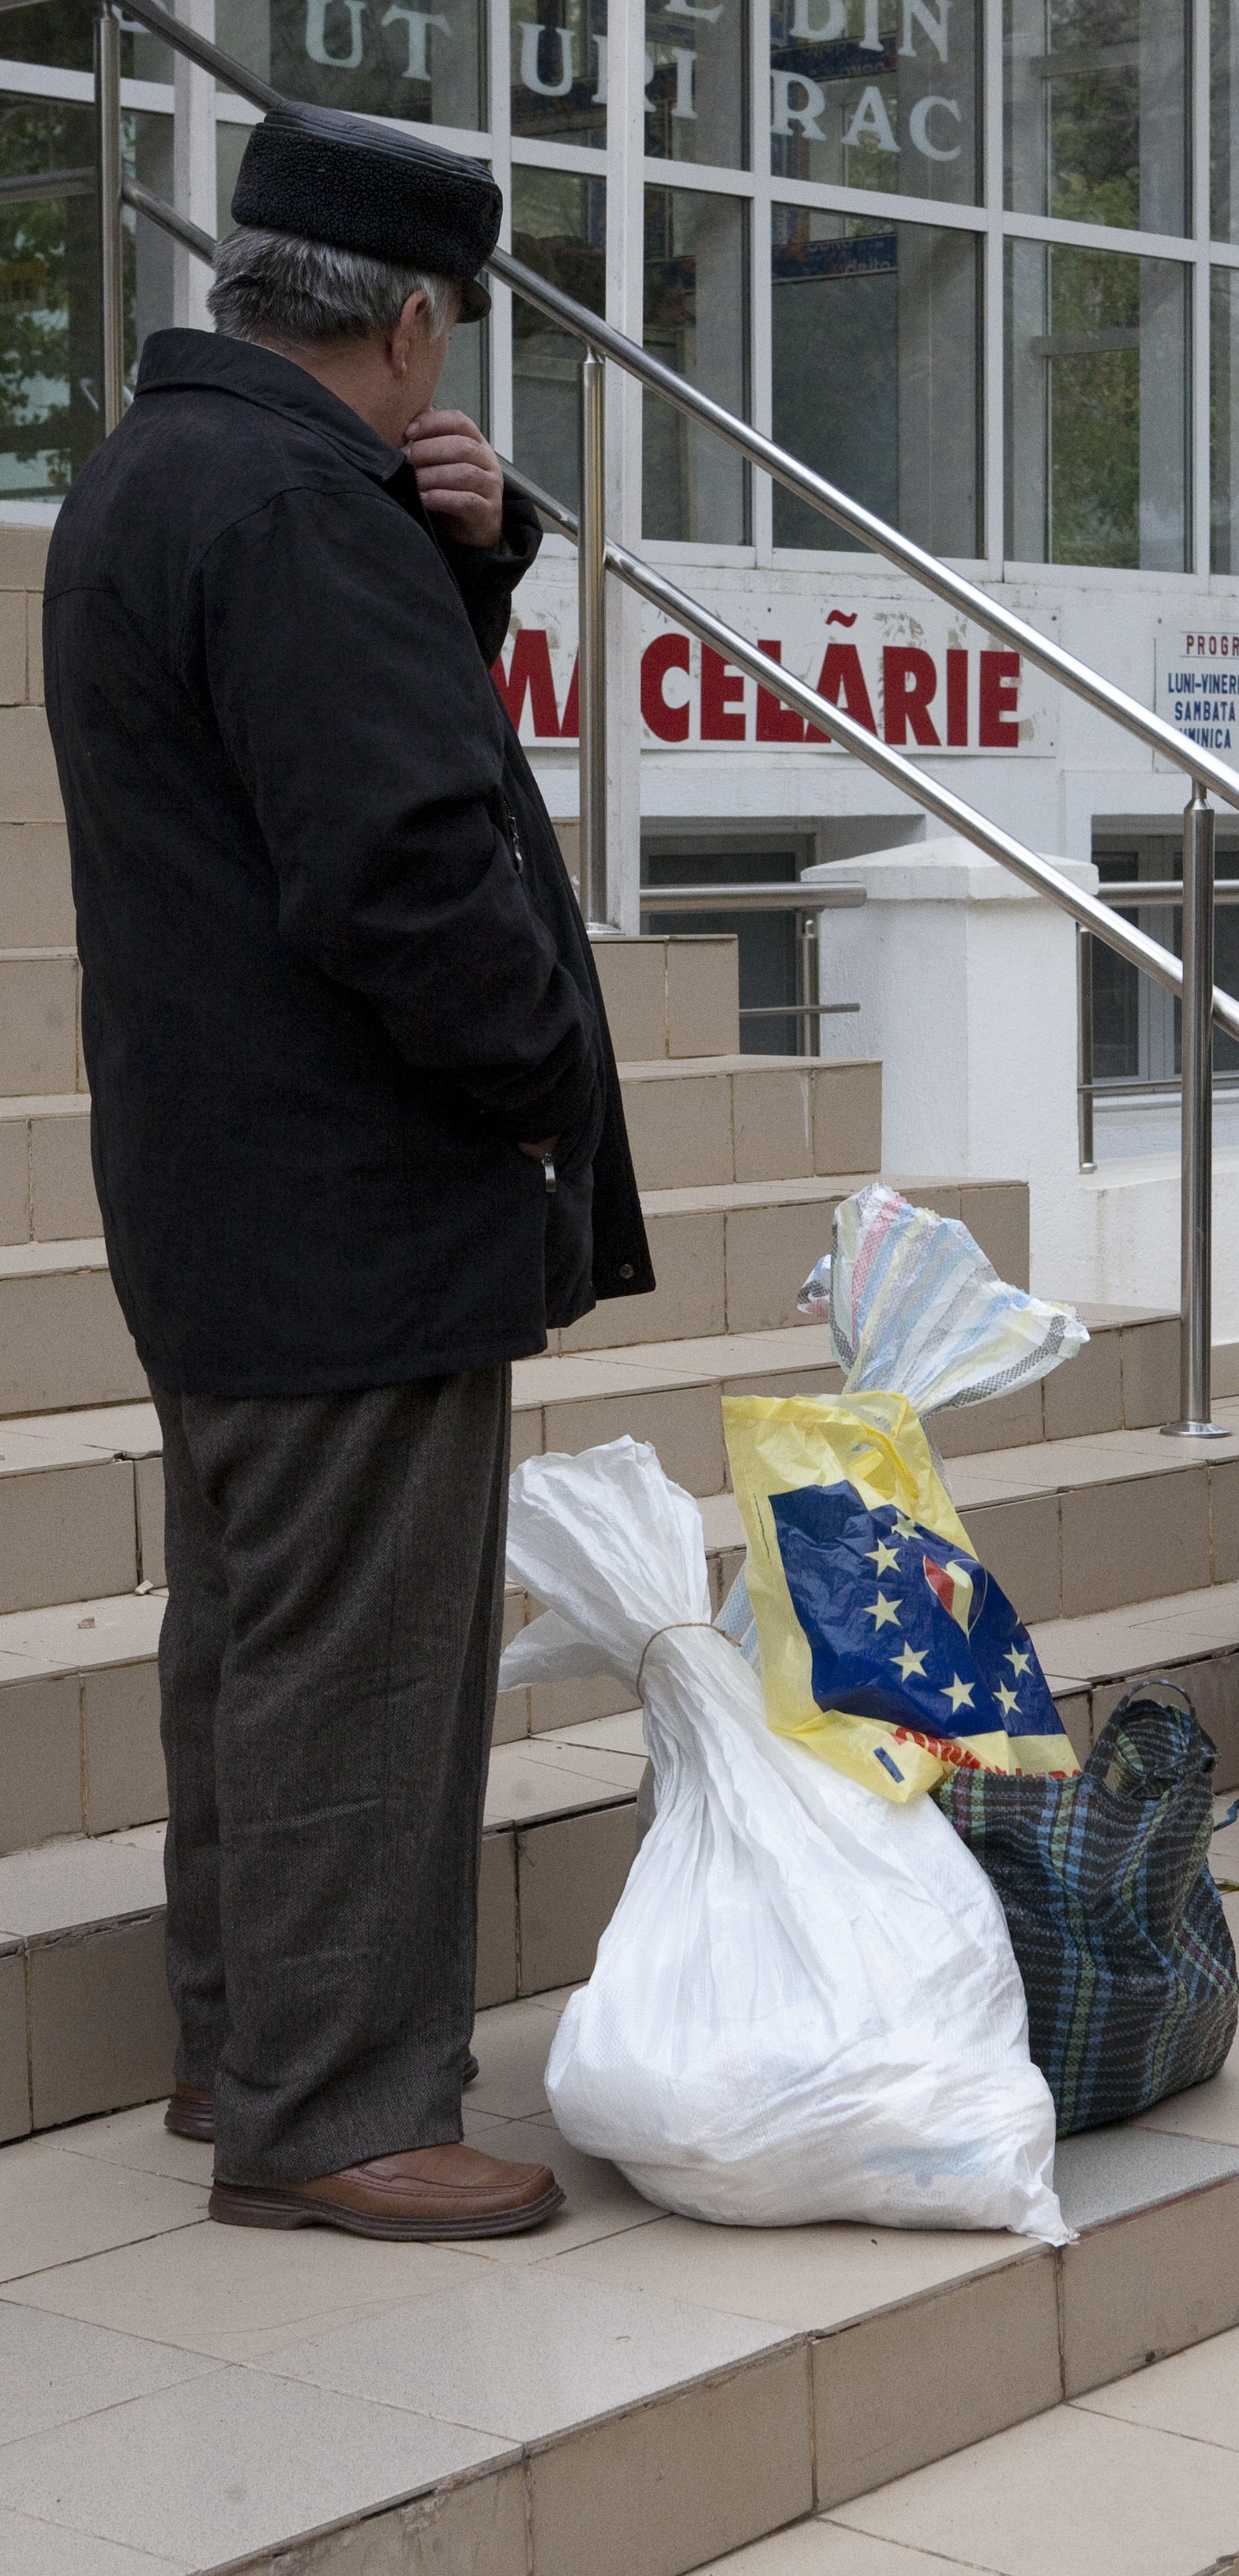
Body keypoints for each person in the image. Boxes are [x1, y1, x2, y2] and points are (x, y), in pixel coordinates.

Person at [43, 103, 653, 2237]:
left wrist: (460, 560)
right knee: (364, 1665)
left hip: (222, 1185)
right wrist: (532, 1089)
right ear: (407, 321)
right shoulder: (300, 506)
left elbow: (294, 759)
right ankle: (335, 2106)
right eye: (450, 330)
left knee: (254, 1637)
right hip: (351, 1193)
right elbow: (398, 860)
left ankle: (246, 2044)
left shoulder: (159, 473)